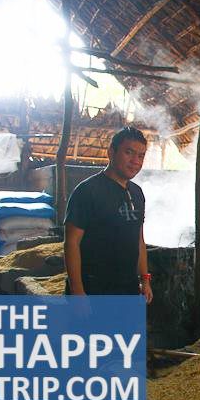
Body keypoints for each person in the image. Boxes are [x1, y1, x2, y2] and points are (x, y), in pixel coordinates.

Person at [64, 126, 153, 303]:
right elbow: (71, 243)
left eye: (141, 156)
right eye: (129, 152)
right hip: (93, 289)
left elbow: (139, 240)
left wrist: (144, 279)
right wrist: (78, 291)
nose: (135, 161)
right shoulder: (87, 191)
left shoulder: (137, 193)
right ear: (111, 152)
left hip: (127, 289)